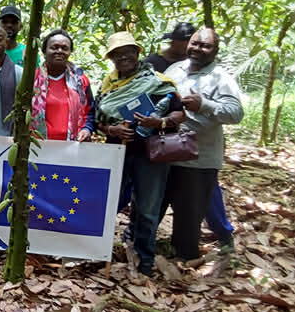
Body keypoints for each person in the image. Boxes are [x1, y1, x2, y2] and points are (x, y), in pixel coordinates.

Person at [95, 31, 184, 275]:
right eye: (117, 54)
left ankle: (144, 260)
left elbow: (179, 113)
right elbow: (98, 118)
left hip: (151, 154)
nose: (123, 57)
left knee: (147, 208)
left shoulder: (157, 81)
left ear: (137, 53)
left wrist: (159, 123)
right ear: (111, 58)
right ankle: (100, 253)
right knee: (107, 203)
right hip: (116, 152)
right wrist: (112, 128)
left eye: (128, 52)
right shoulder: (108, 84)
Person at [161, 28, 243, 260]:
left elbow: (235, 113)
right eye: (195, 43)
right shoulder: (175, 70)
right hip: (165, 152)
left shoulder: (221, 78)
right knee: (152, 206)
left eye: (205, 46)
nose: (198, 49)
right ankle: (142, 250)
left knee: (189, 215)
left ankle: (184, 261)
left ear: (215, 51)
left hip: (198, 159)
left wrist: (204, 105)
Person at [29, 29, 95, 141]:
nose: (59, 51)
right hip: (36, 146)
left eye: (64, 48)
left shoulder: (80, 81)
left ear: (70, 52)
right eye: (54, 47)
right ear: (44, 51)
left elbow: (90, 111)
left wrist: (86, 129)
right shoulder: (31, 79)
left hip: (71, 146)